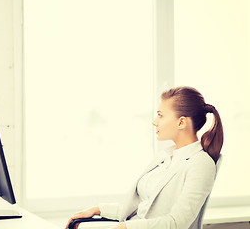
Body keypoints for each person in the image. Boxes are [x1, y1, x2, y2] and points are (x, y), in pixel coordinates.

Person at [65, 86, 224, 229]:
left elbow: (177, 223)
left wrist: (126, 228)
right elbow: (140, 208)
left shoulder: (201, 163)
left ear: (181, 122)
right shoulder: (165, 157)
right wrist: (97, 209)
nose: (155, 122)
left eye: (161, 116)